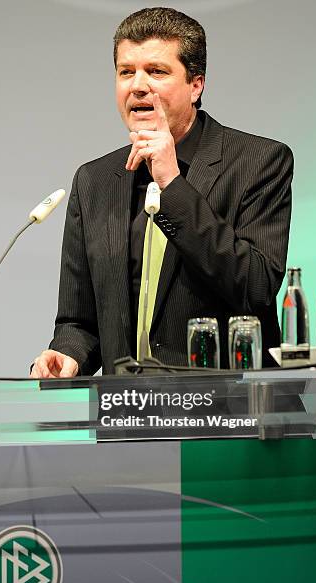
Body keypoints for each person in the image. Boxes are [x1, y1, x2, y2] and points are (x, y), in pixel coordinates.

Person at [30, 7, 293, 379]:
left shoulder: (259, 162)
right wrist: (67, 354)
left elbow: (256, 287)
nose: (137, 85)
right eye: (126, 72)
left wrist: (173, 185)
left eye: (156, 71)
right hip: (127, 416)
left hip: (228, 412)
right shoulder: (94, 180)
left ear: (196, 84)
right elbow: (79, 322)